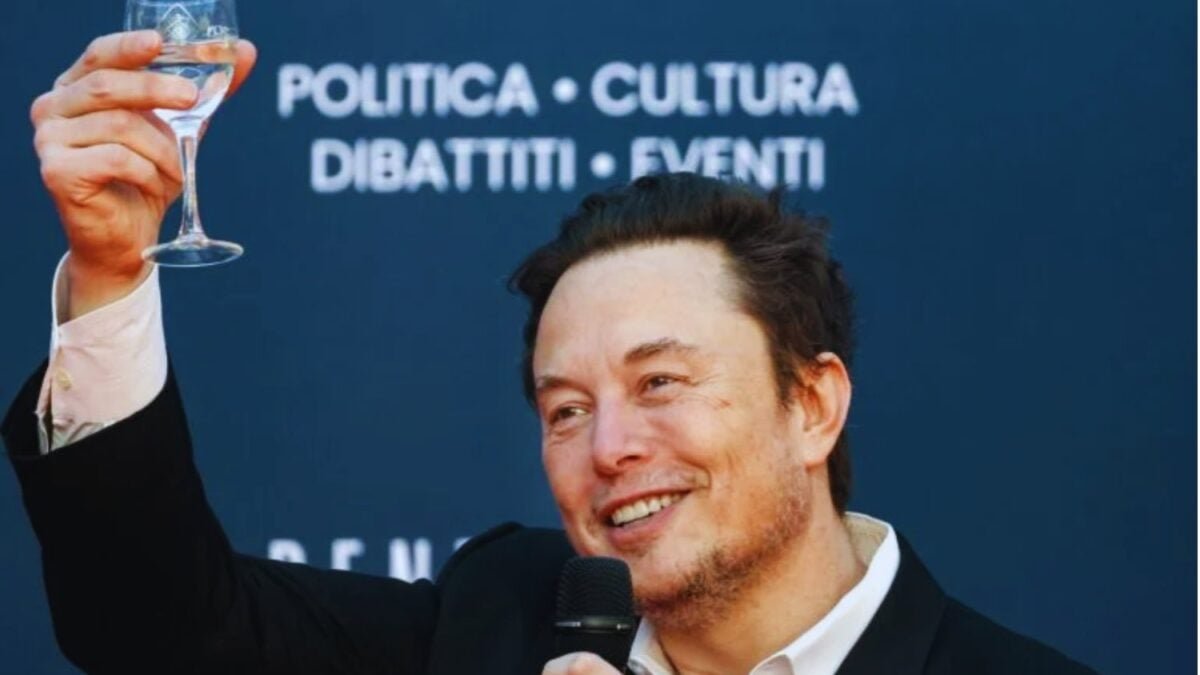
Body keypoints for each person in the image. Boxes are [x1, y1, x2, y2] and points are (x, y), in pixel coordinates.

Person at [3, 31, 1096, 675]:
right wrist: (109, 268)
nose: (609, 448)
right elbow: (164, 626)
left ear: (812, 404)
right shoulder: (504, 614)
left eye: (659, 381)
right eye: (565, 408)